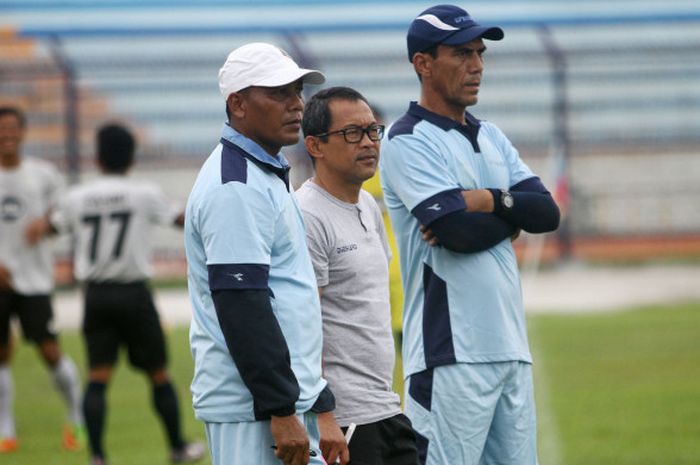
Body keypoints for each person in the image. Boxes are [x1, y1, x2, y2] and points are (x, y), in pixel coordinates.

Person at [378, 5, 561, 465]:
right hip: (450, 352)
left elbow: (547, 213)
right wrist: (511, 218)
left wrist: (490, 201)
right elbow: (456, 230)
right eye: (461, 53)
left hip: (509, 350)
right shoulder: (408, 140)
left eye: (480, 53)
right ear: (423, 63)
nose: (477, 65)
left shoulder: (492, 136)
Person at [184, 42, 337, 465]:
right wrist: (280, 408)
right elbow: (242, 304)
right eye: (278, 93)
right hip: (255, 410)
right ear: (238, 103)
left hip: (278, 403)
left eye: (296, 91)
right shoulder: (236, 186)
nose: (296, 104)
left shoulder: (261, 172)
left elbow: (286, 294)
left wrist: (311, 398)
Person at [48, 123, 205, 465]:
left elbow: (49, 225)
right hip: (134, 294)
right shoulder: (143, 194)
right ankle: (178, 447)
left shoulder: (78, 197)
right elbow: (184, 219)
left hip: (97, 295)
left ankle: (98, 456)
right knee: (158, 373)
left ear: (97, 157)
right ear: (131, 157)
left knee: (97, 377)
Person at [297, 86, 420, 465]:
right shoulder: (307, 214)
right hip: (344, 421)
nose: (368, 142)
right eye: (352, 133)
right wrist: (325, 415)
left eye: (373, 131)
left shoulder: (367, 202)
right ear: (315, 146)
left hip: (384, 407)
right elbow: (304, 325)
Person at [0, 106, 84, 453]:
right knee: (1, 353)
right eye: (2, 130)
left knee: (49, 351)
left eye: (12, 130)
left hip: (34, 281)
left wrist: (47, 225)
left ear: (23, 132)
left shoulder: (43, 175)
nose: (7, 136)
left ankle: (76, 418)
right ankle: (6, 430)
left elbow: (67, 214)